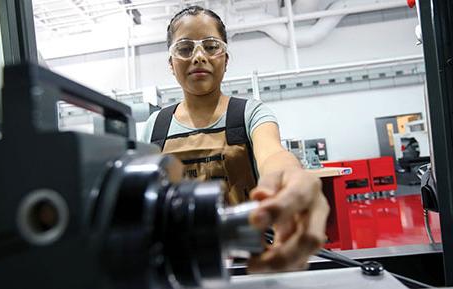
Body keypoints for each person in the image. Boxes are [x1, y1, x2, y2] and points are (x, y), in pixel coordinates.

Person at [141, 5, 329, 273]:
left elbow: (273, 155)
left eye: (210, 46)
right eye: (184, 49)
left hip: (251, 266)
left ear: (225, 59)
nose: (198, 57)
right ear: (171, 63)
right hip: (180, 269)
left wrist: (289, 177)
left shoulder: (250, 113)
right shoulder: (154, 127)